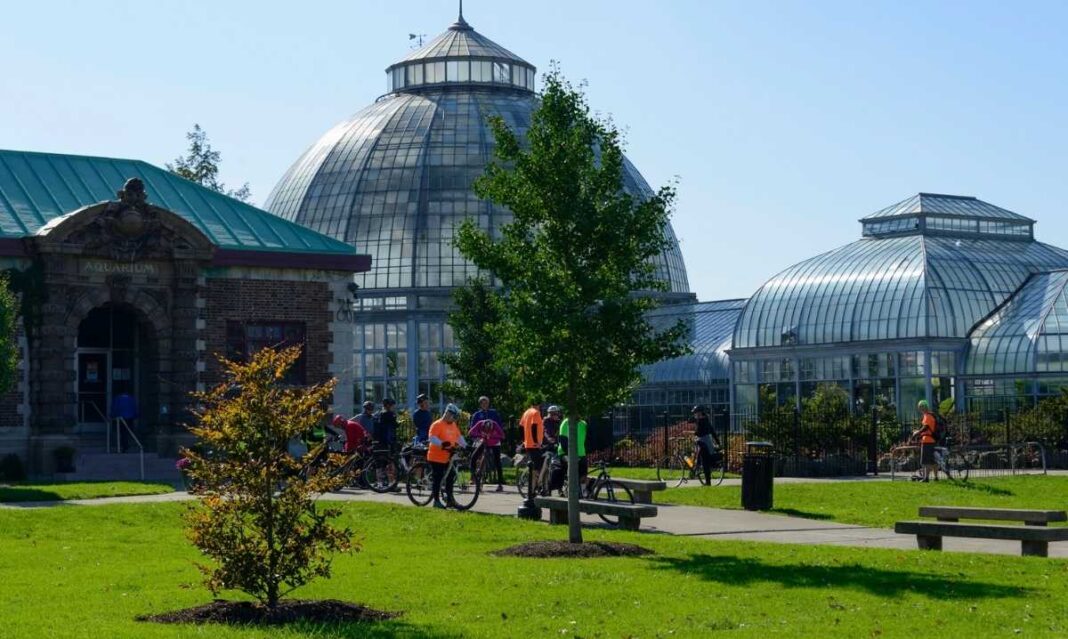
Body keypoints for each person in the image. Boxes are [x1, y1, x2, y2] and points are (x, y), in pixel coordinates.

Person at [427, 403, 467, 508]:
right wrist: (442, 444)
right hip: (436, 456)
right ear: (448, 413)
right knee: (438, 478)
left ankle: (450, 500)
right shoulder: (437, 424)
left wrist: (466, 446)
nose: (454, 419)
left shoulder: (453, 425)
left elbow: (458, 437)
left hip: (448, 456)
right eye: (454, 416)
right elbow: (432, 438)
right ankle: (436, 501)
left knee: (451, 476)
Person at [469, 396, 505, 491]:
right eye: (482, 403)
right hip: (482, 439)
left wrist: (497, 436)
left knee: (497, 460)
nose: (484, 404)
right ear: (480, 404)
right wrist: (477, 437)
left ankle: (500, 483)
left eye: (486, 403)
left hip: (494, 440)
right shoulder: (477, 415)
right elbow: (472, 428)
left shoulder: (494, 413)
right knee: (474, 457)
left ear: (488, 404)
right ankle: (473, 476)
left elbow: (500, 427)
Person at [552, 412, 588, 494]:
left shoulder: (583, 424)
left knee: (583, 474)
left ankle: (583, 491)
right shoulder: (566, 423)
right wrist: (570, 454)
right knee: (571, 470)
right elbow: (563, 440)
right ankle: (570, 490)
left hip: (581, 453)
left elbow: (587, 439)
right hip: (565, 452)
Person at [691, 405, 722, 485]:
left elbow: (698, 432)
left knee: (705, 463)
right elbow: (712, 432)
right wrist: (718, 442)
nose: (695, 415)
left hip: (704, 444)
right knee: (702, 459)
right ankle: (696, 469)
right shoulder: (706, 420)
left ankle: (708, 482)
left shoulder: (701, 421)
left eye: (695, 413)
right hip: (706, 443)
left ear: (700, 413)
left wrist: (691, 433)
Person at [519, 401, 545, 485]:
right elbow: (534, 427)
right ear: (538, 405)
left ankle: (534, 484)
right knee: (537, 466)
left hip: (528, 443)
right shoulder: (536, 413)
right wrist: (536, 442)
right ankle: (533, 486)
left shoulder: (526, 412)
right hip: (534, 444)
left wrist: (524, 440)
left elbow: (520, 427)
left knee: (535, 463)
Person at [912, 399, 938, 482]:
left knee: (925, 461)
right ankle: (936, 477)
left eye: (921, 407)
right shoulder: (931, 415)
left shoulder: (927, 416)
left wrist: (917, 433)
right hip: (932, 440)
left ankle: (926, 478)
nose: (920, 409)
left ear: (924, 407)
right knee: (933, 460)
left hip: (927, 441)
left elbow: (926, 427)